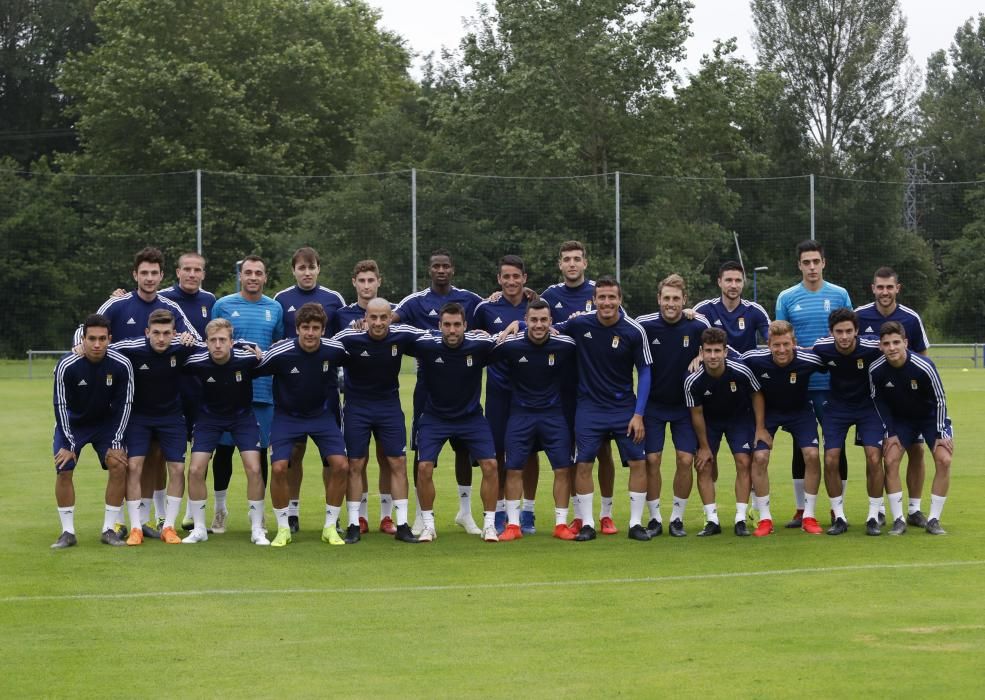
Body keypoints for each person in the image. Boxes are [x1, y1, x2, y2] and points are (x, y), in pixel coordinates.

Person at [79, 247, 200, 538]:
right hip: (120, 396)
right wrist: (78, 349)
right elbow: (87, 330)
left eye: (154, 273)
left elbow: (194, 337)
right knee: (122, 459)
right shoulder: (117, 304)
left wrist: (186, 338)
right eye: (143, 273)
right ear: (135, 274)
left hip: (159, 397)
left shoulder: (170, 307)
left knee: (154, 459)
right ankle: (120, 520)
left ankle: (148, 520)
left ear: (161, 276)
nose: (148, 278)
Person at [392, 250, 485, 535]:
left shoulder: (470, 299)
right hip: (428, 385)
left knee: (464, 448)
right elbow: (390, 320)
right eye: (436, 266)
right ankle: (422, 515)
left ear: (453, 269)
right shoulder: (416, 301)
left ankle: (465, 513)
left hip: (464, 383)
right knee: (422, 452)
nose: (441, 270)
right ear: (429, 270)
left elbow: (492, 313)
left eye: (446, 266)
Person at [555, 276, 652, 541]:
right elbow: (548, 330)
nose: (607, 302)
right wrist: (518, 323)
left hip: (624, 408)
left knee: (637, 462)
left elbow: (644, 371)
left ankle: (635, 523)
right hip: (589, 407)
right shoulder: (579, 323)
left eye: (612, 297)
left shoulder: (634, 330)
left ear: (619, 300)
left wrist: (639, 414)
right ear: (594, 300)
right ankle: (587, 523)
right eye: (602, 297)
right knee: (583, 464)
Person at [254, 303, 352, 547]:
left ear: (323, 329)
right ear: (297, 329)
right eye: (305, 327)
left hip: (322, 416)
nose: (310, 333)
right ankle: (283, 528)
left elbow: (360, 363)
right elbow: (251, 369)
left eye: (315, 328)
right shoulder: (281, 352)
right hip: (287, 417)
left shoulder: (335, 349)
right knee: (278, 468)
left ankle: (330, 527)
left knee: (340, 465)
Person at [540, 241, 619, 535]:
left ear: (585, 263)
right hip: (563, 386)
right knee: (573, 451)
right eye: (566, 260)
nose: (572, 264)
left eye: (577, 259)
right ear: (560, 264)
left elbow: (623, 323)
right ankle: (578, 512)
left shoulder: (600, 292)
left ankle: (607, 513)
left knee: (604, 451)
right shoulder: (550, 295)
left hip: (598, 385)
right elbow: (538, 323)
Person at [333, 297, 425, 543]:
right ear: (365, 319)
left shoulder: (401, 335)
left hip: (389, 407)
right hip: (357, 408)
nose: (378, 322)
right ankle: (354, 524)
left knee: (397, 462)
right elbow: (321, 348)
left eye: (384, 317)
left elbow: (433, 336)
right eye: (373, 317)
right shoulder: (348, 338)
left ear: (390, 317)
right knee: (355, 464)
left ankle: (402, 524)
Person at [775, 240, 852, 528]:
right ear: (799, 265)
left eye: (815, 261)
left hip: (834, 385)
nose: (811, 267)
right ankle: (801, 509)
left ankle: (837, 509)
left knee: (836, 446)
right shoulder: (787, 297)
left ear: (823, 263)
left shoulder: (840, 294)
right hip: (801, 386)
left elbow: (849, 333)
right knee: (801, 446)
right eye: (806, 262)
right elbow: (782, 340)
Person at [490, 299, 578, 541]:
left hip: (553, 415)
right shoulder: (510, 345)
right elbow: (482, 351)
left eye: (543, 320)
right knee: (513, 468)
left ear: (551, 322)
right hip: (520, 415)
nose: (538, 325)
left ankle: (560, 524)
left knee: (563, 468)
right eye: (533, 320)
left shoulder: (565, 344)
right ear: (525, 321)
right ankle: (514, 525)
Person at [109, 310, 200, 544]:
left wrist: (248, 346)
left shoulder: (182, 346)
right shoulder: (132, 347)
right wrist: (78, 347)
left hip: (172, 417)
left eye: (167, 333)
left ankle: (168, 527)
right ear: (147, 332)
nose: (161, 338)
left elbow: (216, 342)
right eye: (156, 333)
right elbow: (101, 347)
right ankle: (136, 528)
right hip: (139, 417)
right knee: (135, 466)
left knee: (178, 469)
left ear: (174, 333)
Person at [273, 247, 347, 534]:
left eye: (311, 267)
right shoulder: (282, 299)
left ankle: (334, 517)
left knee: (331, 458)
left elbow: (341, 342)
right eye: (301, 268)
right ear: (294, 270)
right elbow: (278, 344)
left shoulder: (334, 299)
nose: (307, 272)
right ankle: (292, 513)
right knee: (294, 454)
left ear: (319, 269)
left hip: (325, 393)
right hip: (291, 390)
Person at [411, 302, 499, 542]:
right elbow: (392, 334)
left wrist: (517, 325)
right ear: (439, 326)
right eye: (447, 325)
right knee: (424, 467)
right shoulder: (425, 345)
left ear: (465, 326)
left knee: (490, 465)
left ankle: (489, 525)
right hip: (434, 417)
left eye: (456, 325)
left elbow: (509, 342)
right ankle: (428, 524)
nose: (452, 330)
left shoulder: (480, 345)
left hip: (471, 418)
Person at [209, 255, 284, 534]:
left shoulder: (274, 308)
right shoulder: (224, 304)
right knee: (224, 451)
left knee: (260, 454)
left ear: (265, 277)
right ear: (240, 276)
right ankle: (219, 510)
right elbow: (215, 343)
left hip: (262, 393)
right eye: (248, 272)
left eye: (258, 273)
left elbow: (277, 345)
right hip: (228, 393)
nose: (253, 277)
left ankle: (258, 513)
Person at [855, 266, 932, 527]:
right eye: (880, 287)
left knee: (917, 451)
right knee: (875, 454)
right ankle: (877, 510)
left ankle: (914, 510)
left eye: (890, 287)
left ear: (897, 288)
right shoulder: (860, 316)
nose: (885, 292)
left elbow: (923, 360)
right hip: (874, 402)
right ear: (873, 288)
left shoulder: (910, 319)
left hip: (909, 402)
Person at [181, 318, 268, 545]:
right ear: (206, 342)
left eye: (222, 340)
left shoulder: (249, 358)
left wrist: (253, 346)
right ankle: (199, 528)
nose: (217, 345)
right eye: (213, 340)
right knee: (196, 468)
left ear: (231, 342)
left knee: (254, 468)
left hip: (243, 418)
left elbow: (273, 358)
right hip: (209, 419)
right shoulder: (196, 361)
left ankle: (257, 527)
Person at [636, 274, 710, 538]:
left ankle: (676, 518)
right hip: (654, 405)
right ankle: (654, 518)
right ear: (658, 299)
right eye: (666, 298)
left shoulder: (696, 324)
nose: (671, 303)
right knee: (652, 460)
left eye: (676, 299)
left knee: (685, 459)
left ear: (684, 300)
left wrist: (700, 356)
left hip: (685, 407)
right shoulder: (644, 325)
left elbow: (717, 343)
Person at [51, 314, 134, 549]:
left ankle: (109, 529)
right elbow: (59, 405)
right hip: (74, 425)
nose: (97, 344)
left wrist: (117, 441)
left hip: (105, 426)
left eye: (102, 339)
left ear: (110, 339)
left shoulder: (121, 364)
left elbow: (125, 404)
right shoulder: (67, 365)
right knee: (63, 467)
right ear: (83, 339)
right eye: (91, 339)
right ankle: (67, 532)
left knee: (119, 464)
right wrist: (67, 443)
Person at [741, 321, 826, 535]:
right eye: (776, 345)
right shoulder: (753, 359)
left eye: (786, 344)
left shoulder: (809, 359)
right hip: (768, 414)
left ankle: (808, 516)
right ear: (768, 344)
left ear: (794, 343)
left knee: (812, 455)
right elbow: (727, 358)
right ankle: (765, 519)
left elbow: (834, 360)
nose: (781, 350)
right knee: (759, 458)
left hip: (800, 412)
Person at [334, 260, 399, 533]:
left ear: (378, 282)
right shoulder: (341, 314)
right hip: (356, 399)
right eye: (361, 281)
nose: (366, 286)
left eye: (371, 280)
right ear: (354, 283)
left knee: (388, 458)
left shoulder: (393, 313)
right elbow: (331, 345)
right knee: (357, 461)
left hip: (387, 400)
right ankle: (358, 517)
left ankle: (386, 517)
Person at [869, 322, 952, 535]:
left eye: (896, 342)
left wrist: (941, 432)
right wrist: (890, 432)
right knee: (890, 459)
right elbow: (878, 401)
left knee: (944, 459)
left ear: (905, 343)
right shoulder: (876, 369)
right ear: (880, 346)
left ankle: (933, 519)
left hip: (930, 418)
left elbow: (940, 399)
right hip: (901, 421)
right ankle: (898, 519)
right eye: (886, 343)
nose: (892, 347)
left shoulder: (924, 365)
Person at [471, 255, 533, 533]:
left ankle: (526, 512)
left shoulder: (535, 305)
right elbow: (474, 343)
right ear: (498, 279)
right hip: (497, 391)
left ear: (524, 278)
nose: (511, 281)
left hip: (530, 392)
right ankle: (496, 514)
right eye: (505, 276)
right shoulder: (486, 308)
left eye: (515, 276)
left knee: (527, 453)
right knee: (496, 453)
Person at [684, 328, 766, 537]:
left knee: (743, 462)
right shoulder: (693, 380)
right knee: (703, 466)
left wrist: (760, 428)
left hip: (738, 419)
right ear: (701, 352)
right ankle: (712, 520)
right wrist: (703, 447)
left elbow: (757, 395)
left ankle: (740, 519)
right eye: (709, 351)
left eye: (717, 351)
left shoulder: (741, 371)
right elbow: (696, 413)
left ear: (725, 351)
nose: (713, 356)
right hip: (709, 423)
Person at [811, 309, 885, 536]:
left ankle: (874, 516)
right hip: (837, 409)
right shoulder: (821, 347)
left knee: (874, 457)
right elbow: (804, 359)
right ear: (831, 332)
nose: (844, 336)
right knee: (831, 459)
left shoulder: (873, 346)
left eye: (849, 331)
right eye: (839, 332)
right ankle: (839, 517)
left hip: (868, 408)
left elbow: (898, 353)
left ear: (857, 331)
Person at [160, 252, 217, 532]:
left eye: (197, 270)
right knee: (163, 452)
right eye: (187, 269)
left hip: (200, 388)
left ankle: (194, 513)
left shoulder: (210, 301)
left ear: (203, 274)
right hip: (167, 387)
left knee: (200, 452)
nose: (192, 274)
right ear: (178, 272)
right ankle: (161, 514)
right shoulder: (163, 299)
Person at [693, 261, 771, 353]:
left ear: (743, 283)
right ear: (719, 282)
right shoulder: (704, 308)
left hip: (746, 366)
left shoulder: (755, 310)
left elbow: (772, 337)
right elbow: (686, 334)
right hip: (715, 365)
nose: (734, 285)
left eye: (738, 280)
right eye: (729, 280)